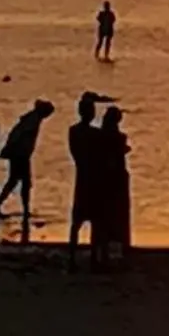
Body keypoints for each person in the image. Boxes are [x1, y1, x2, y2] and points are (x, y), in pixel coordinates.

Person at [0, 99, 57, 228]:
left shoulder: (32, 118)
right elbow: (18, 134)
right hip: (20, 155)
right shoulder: (32, 120)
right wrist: (11, 148)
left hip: (22, 154)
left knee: (17, 182)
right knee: (20, 182)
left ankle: (6, 206)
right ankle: (10, 207)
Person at [67, 94, 102, 267]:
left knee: (77, 221)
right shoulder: (95, 134)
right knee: (94, 220)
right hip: (91, 176)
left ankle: (72, 257)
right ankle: (94, 257)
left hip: (82, 175)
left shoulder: (73, 131)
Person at [98, 106, 132, 261]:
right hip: (115, 178)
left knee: (108, 216)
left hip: (106, 177)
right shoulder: (117, 138)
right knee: (117, 215)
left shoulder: (101, 136)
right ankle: (120, 248)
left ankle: (105, 248)